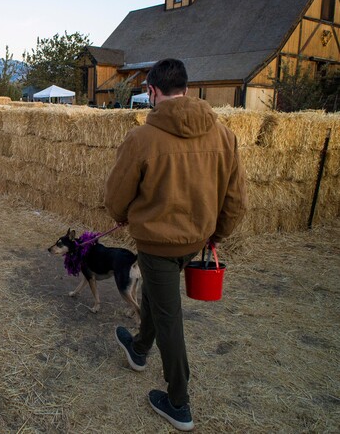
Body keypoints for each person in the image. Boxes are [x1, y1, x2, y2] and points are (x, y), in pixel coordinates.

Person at [105, 58, 247, 431]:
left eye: (148, 92)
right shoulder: (224, 134)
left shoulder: (141, 138)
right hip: (197, 240)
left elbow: (117, 195)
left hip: (157, 244)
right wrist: (217, 233)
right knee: (157, 296)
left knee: (169, 316)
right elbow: (236, 198)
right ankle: (138, 348)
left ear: (152, 91)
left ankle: (179, 402)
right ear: (186, 88)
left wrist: (120, 214)